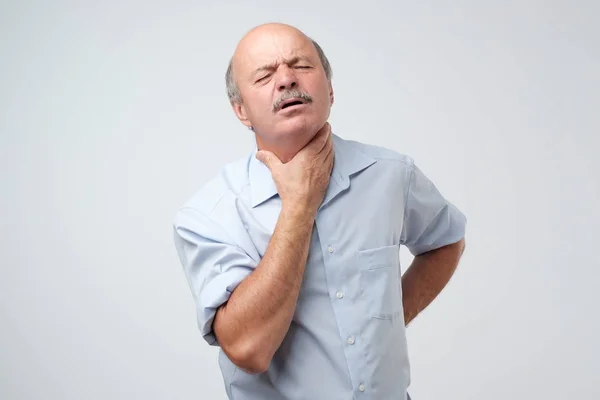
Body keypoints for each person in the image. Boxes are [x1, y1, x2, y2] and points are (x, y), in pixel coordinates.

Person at [173, 22, 467, 400]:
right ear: (241, 111)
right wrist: (299, 203)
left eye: (302, 66)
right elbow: (248, 350)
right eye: (264, 75)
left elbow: (446, 242)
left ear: (330, 88)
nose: (286, 80)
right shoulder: (208, 215)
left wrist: (385, 326)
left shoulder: (392, 175)